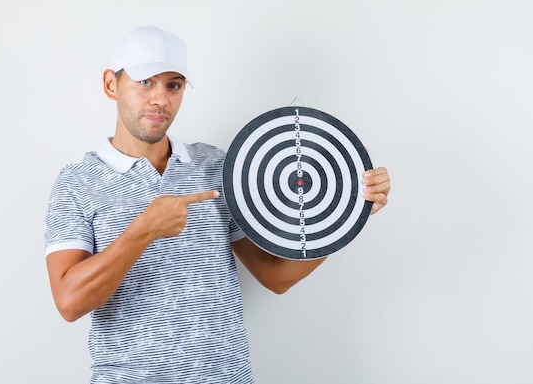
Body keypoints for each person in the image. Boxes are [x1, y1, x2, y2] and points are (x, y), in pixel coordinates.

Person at [44, 25, 391, 383]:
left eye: (173, 85)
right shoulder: (77, 183)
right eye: (145, 82)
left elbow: (275, 276)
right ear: (111, 85)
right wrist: (142, 232)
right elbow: (69, 302)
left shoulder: (217, 167)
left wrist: (347, 213)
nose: (160, 98)